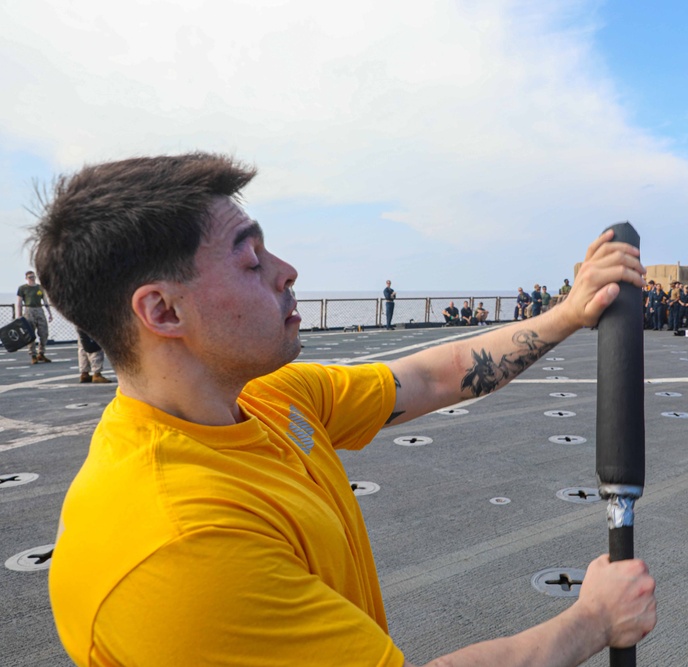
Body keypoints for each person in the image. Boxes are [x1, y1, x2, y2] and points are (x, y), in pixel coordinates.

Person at [36, 153, 655, 667]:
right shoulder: (181, 545)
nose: (287, 272)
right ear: (162, 312)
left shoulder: (266, 398)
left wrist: (570, 311)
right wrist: (593, 619)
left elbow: (431, 376)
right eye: (251, 261)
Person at [15, 269, 54, 363]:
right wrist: (19, 316)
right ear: (26, 278)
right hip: (29, 310)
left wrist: (49, 313)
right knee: (30, 333)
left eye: (33, 277)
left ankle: (41, 353)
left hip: (39, 309)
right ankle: (33, 355)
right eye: (30, 277)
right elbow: (19, 303)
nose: (32, 279)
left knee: (44, 332)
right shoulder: (23, 288)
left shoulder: (40, 288)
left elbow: (45, 301)